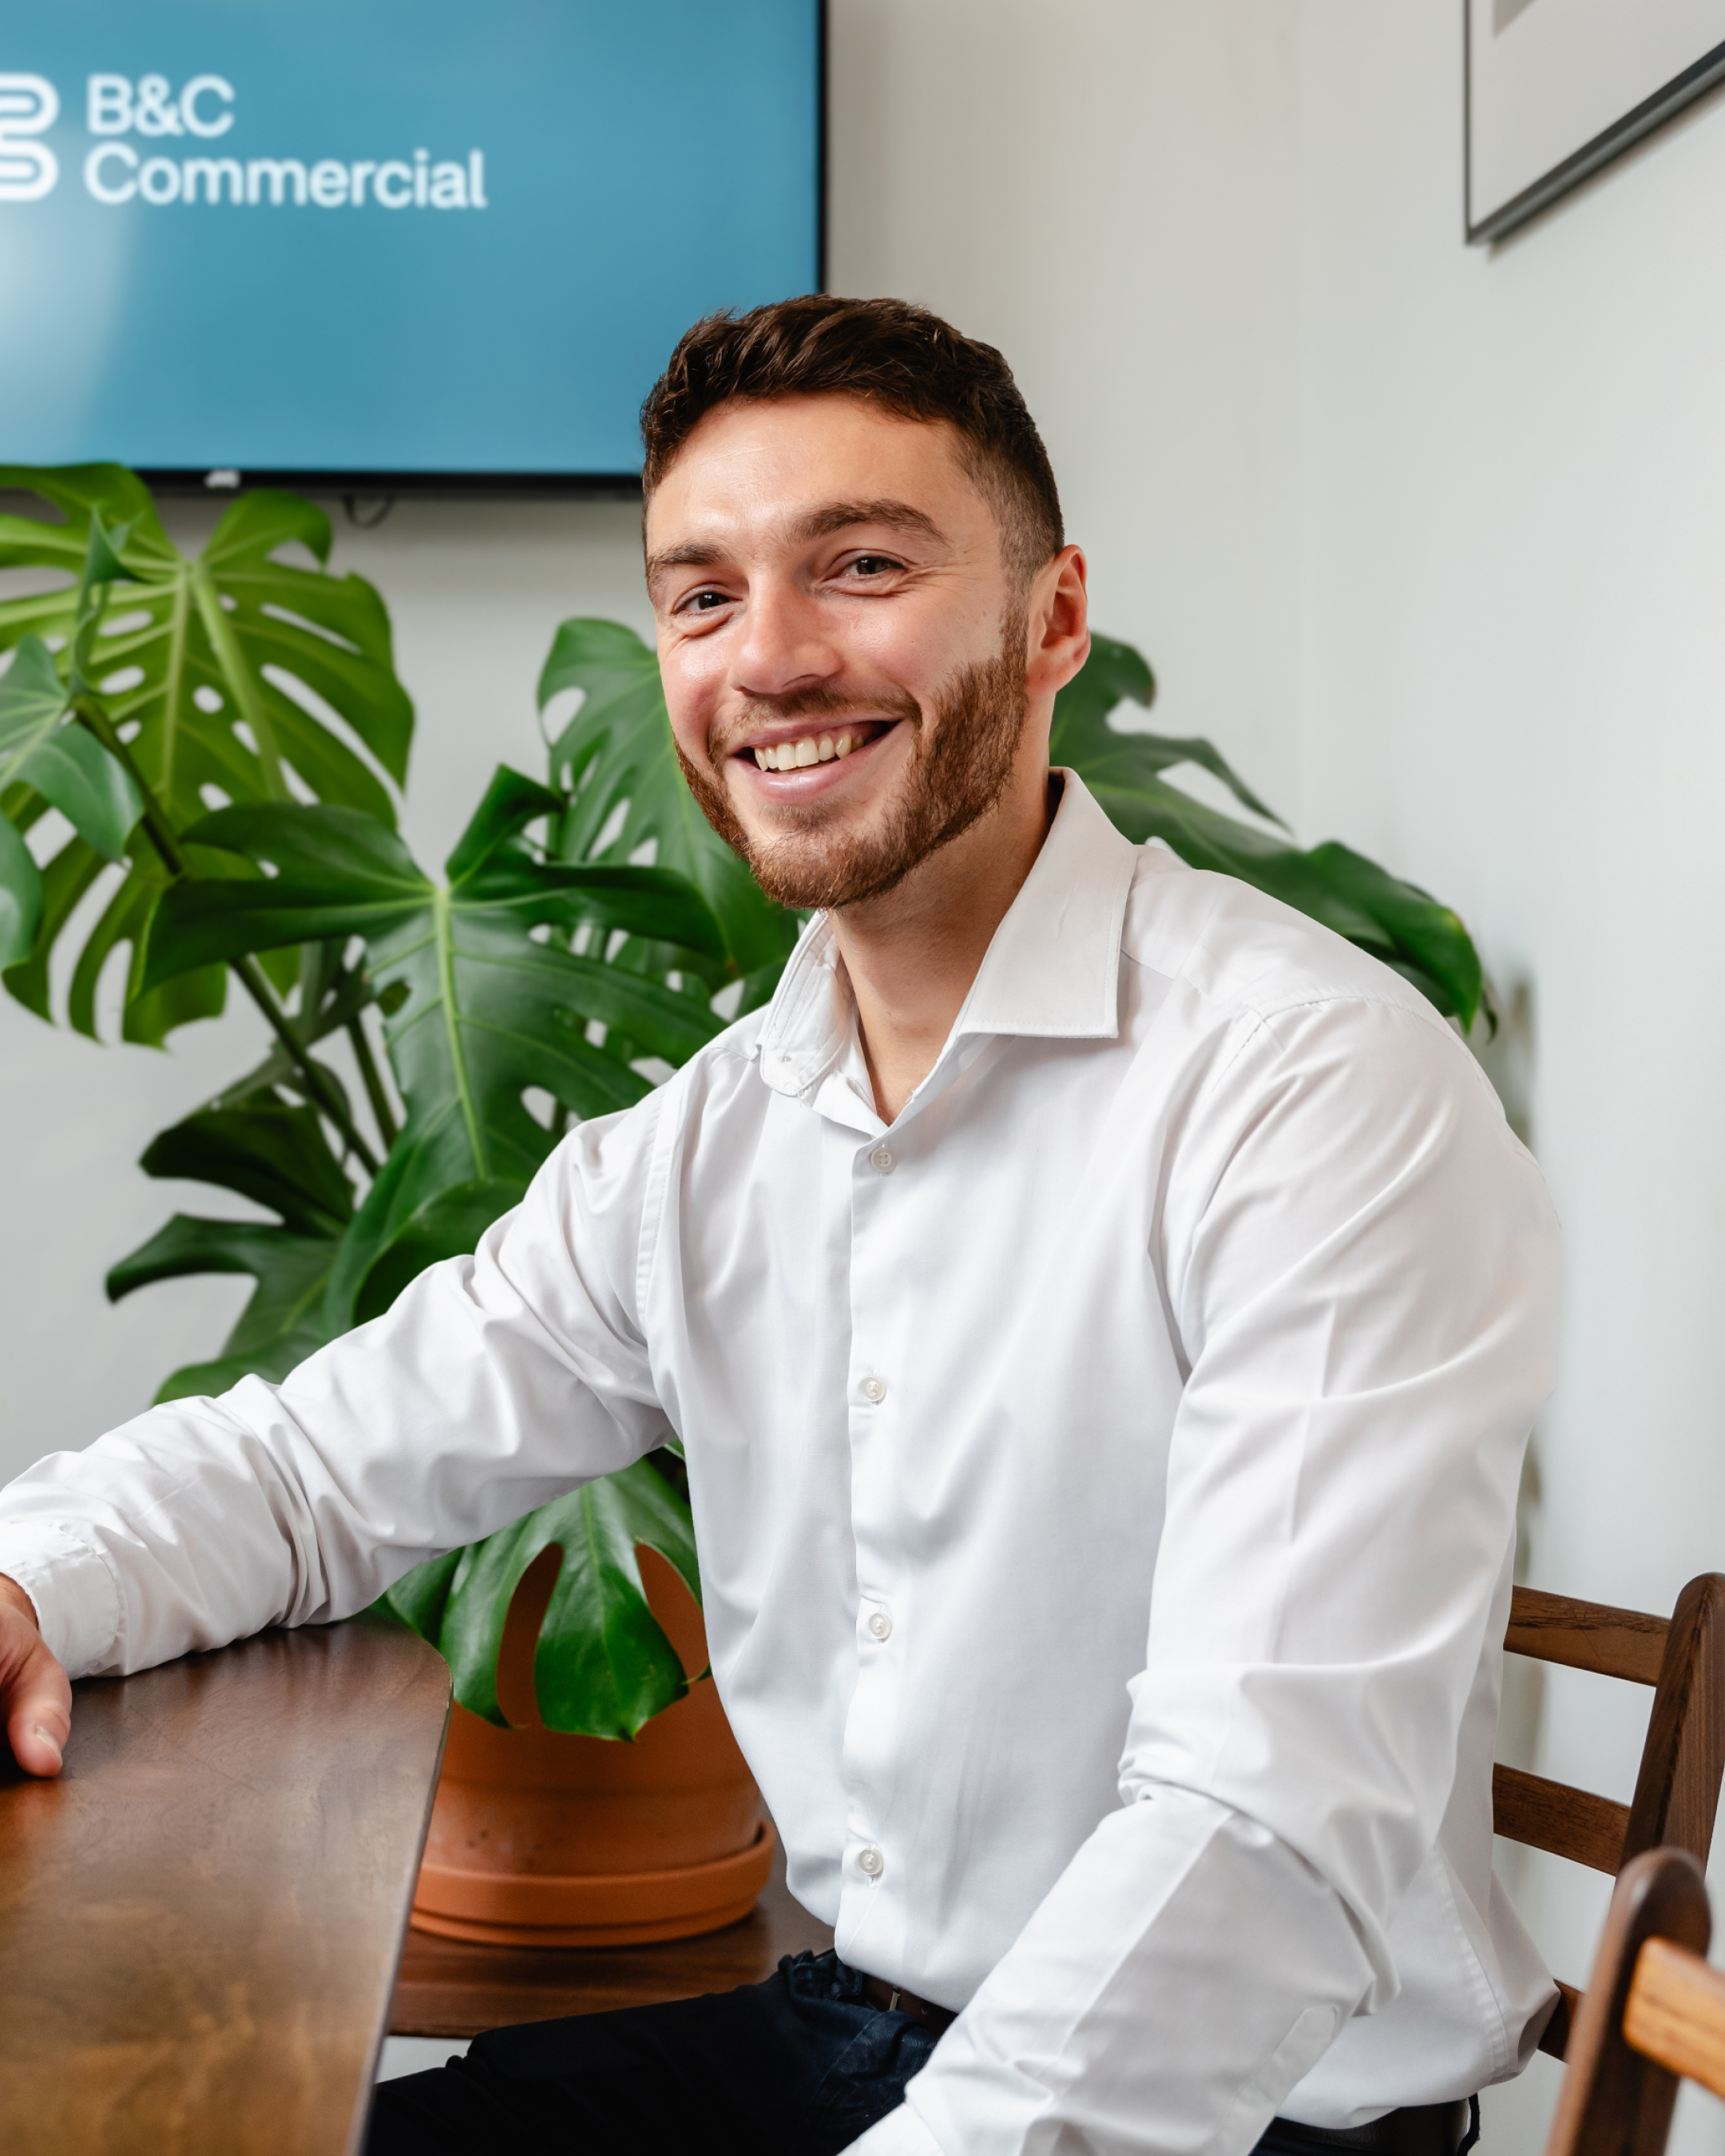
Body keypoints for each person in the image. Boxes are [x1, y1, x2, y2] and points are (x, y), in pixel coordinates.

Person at [0, 296, 1560, 2156]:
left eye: (865, 564)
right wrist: (27, 1583)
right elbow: (309, 1473)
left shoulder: (1308, 1089)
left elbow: (1264, 1836)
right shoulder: (705, 1143)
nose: (774, 659)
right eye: (703, 595)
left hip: (1239, 2107)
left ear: (1054, 616)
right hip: (849, 2032)